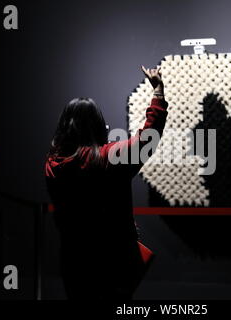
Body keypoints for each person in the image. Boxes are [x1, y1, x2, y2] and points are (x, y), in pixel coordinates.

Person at [45, 66, 168, 300]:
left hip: (74, 259)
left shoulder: (53, 164)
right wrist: (158, 92)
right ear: (99, 124)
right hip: (114, 260)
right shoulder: (110, 157)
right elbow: (149, 137)